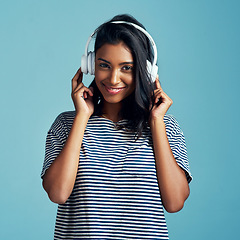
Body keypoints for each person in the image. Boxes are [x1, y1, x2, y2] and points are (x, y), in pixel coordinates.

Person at [41, 14, 192, 240]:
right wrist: (82, 116)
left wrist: (156, 121)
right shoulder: (66, 124)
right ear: (90, 65)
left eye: (127, 67)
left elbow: (174, 202)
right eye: (104, 65)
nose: (113, 79)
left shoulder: (165, 126)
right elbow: (58, 193)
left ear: (146, 71)